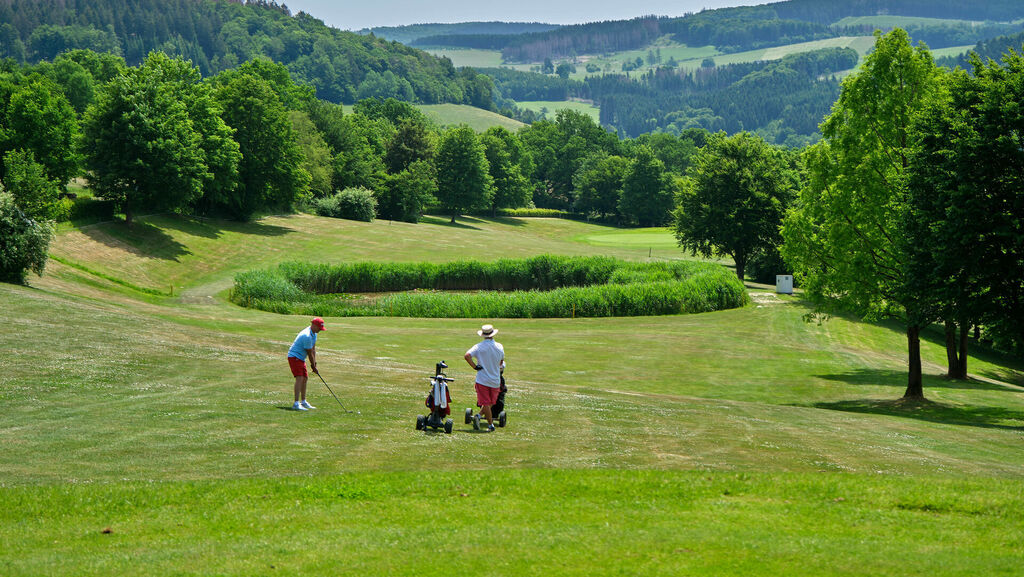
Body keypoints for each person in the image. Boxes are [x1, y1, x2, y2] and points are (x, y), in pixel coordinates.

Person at [464, 324, 505, 432]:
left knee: (486, 403)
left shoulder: (478, 347)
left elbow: (467, 355)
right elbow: (501, 362)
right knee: (491, 402)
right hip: (495, 379)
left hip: (482, 379)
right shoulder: (499, 346)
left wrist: (474, 366)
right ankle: (488, 423)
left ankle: (483, 419)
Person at [288, 317, 325, 411]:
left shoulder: (314, 334)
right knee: (300, 378)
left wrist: (314, 364)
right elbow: (309, 353)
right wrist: (313, 365)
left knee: (305, 378)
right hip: (294, 357)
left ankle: (303, 401)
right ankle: (296, 403)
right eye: (319, 328)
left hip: (300, 358)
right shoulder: (307, 335)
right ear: (314, 325)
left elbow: (313, 350)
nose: (320, 330)